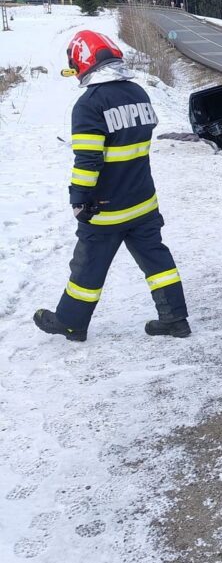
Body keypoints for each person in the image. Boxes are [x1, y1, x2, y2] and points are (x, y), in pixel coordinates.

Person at [33, 30, 190, 343]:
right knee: (158, 261)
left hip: (106, 209)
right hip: (143, 202)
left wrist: (79, 200)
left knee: (88, 266)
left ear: (84, 62)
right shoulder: (138, 93)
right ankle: (175, 319)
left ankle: (71, 322)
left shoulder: (89, 105)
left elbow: (88, 160)